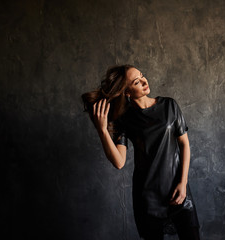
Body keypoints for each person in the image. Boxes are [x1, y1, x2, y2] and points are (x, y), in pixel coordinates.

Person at [82, 65, 200, 240]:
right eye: (137, 82)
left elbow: (184, 144)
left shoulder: (169, 105)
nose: (145, 81)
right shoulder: (124, 120)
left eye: (142, 76)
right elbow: (119, 162)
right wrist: (103, 131)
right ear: (127, 92)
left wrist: (183, 183)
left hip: (178, 190)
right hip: (148, 199)